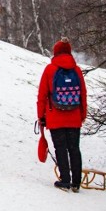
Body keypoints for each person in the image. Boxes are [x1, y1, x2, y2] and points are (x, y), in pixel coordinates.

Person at [37, 37, 88, 192]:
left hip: (55, 116)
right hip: (74, 116)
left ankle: (65, 181)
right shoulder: (77, 70)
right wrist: (82, 114)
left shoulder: (50, 69)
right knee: (74, 148)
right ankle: (76, 183)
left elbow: (42, 95)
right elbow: (83, 94)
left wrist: (41, 117)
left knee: (60, 148)